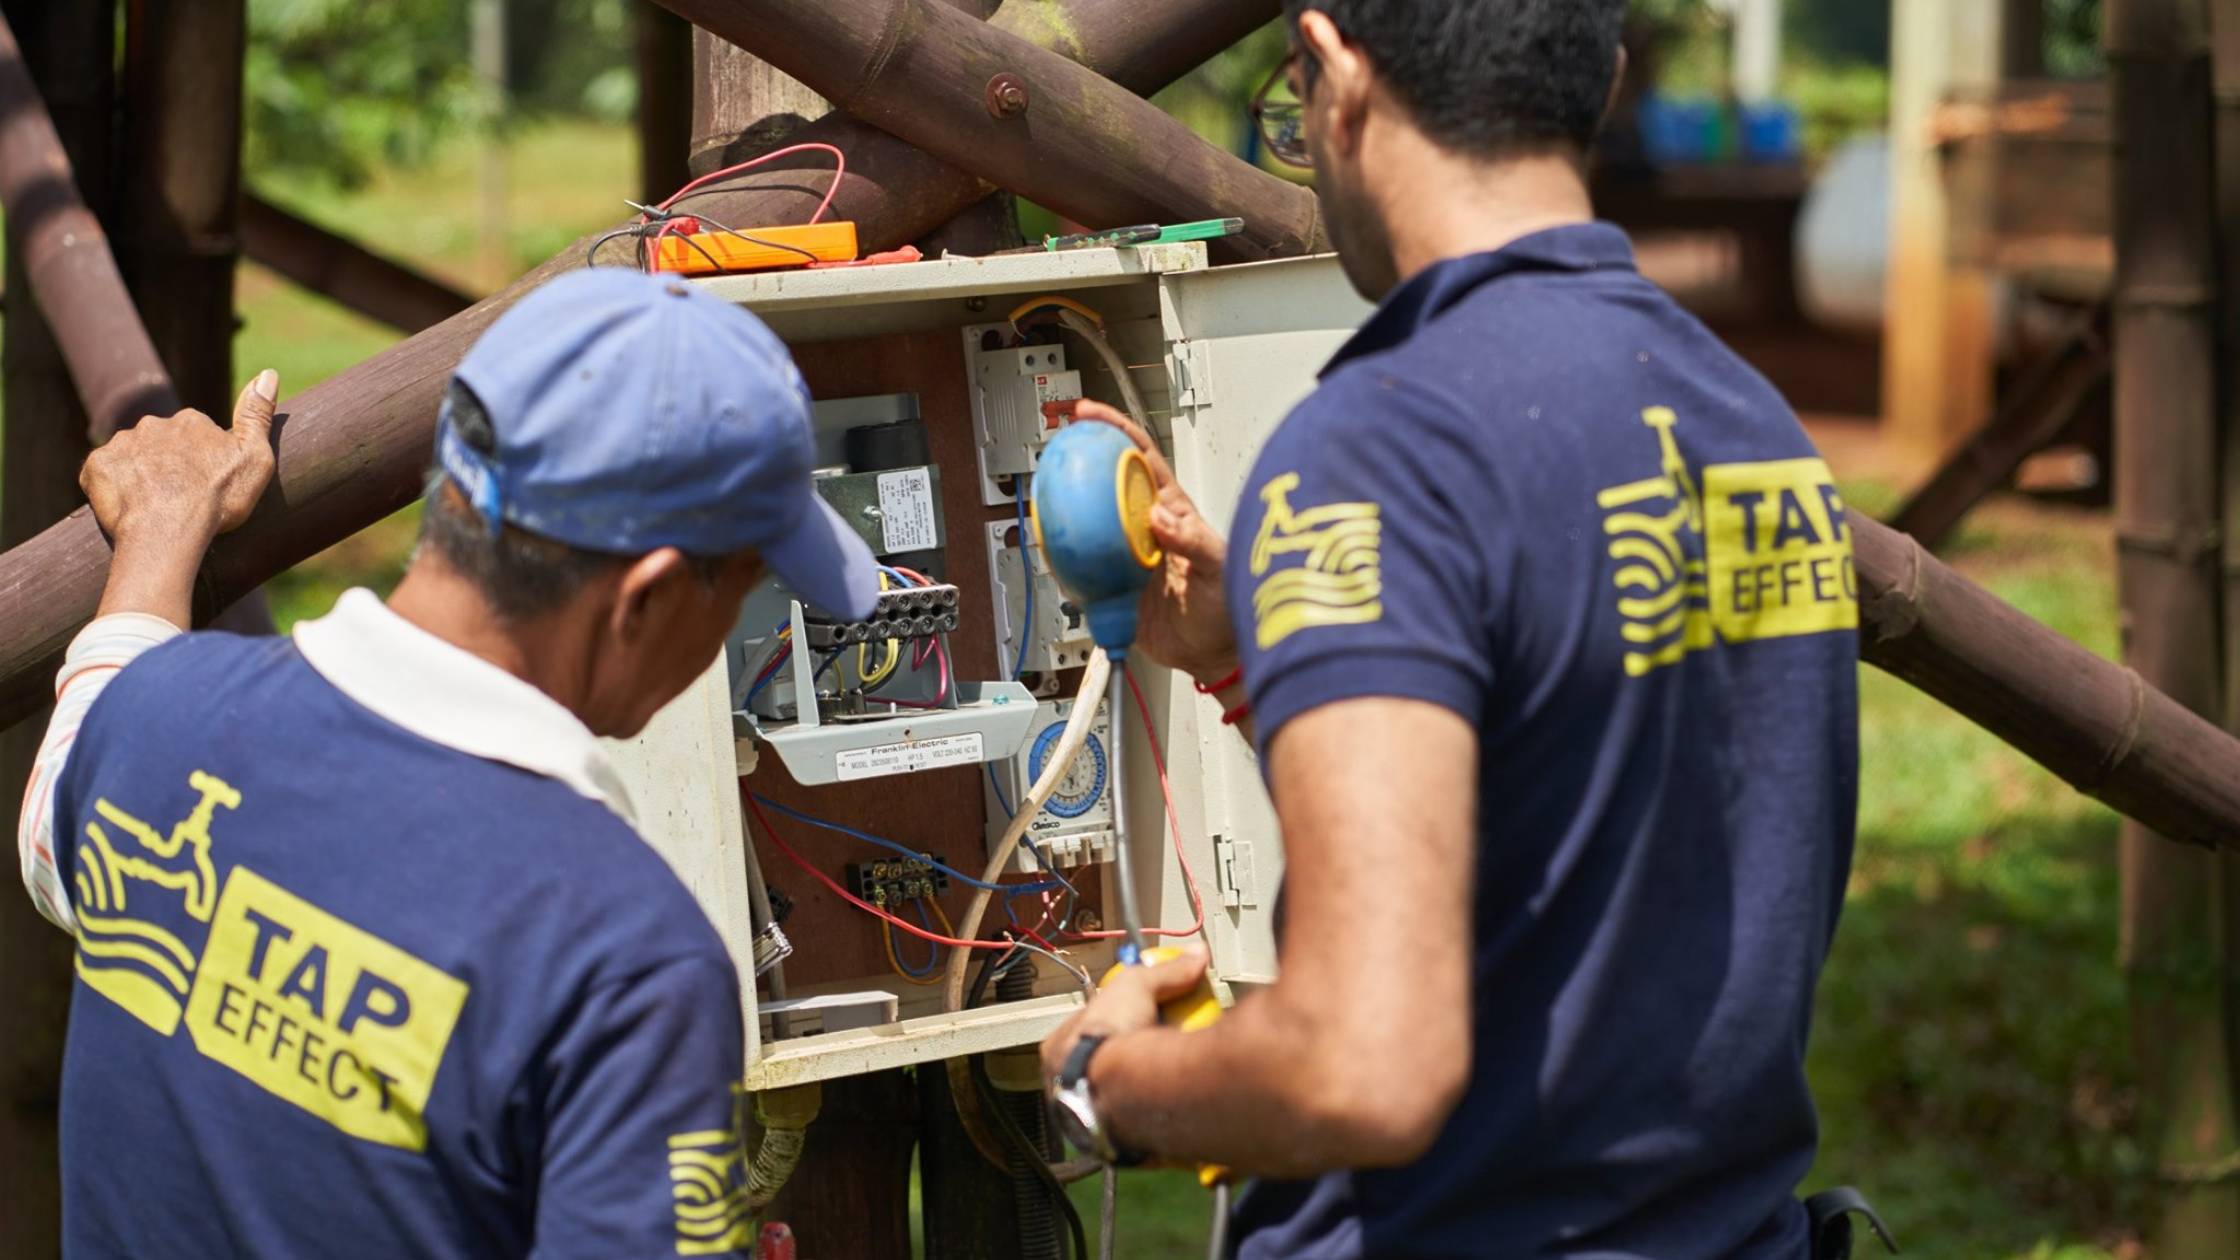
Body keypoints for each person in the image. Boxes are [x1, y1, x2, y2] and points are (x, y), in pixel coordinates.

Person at [1040, 2, 1865, 1258]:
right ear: (1599, 85)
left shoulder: (1375, 451)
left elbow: (1361, 1065)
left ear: (1333, 69)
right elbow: (1579, 807)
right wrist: (1246, 659)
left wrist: (1107, 1082)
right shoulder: (1748, 425)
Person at [15, 269, 881, 1258]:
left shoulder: (152, 727)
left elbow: (57, 809)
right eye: (745, 590)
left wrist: (162, 526)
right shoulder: (626, 958)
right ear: (643, 599)